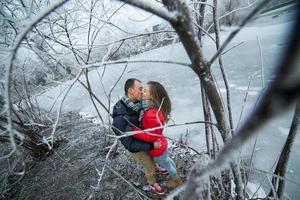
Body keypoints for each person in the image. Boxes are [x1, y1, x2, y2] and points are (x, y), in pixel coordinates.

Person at [111, 78, 166, 195]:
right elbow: (128, 144)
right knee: (149, 165)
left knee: (152, 158)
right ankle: (152, 183)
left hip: (144, 139)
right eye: (140, 89)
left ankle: (156, 168)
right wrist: (151, 145)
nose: (143, 91)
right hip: (136, 148)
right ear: (130, 90)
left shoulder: (136, 105)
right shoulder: (120, 119)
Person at [133, 81, 182, 190]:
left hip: (157, 149)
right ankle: (174, 174)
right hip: (162, 144)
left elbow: (151, 136)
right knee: (167, 161)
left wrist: (135, 131)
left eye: (145, 91)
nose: (142, 92)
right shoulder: (154, 108)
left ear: (152, 97)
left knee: (167, 164)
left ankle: (176, 180)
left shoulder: (151, 115)